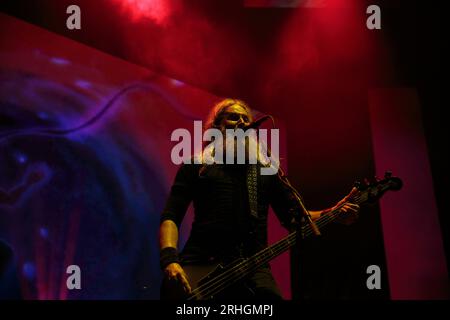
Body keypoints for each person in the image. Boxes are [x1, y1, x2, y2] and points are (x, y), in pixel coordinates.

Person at [159, 98, 359, 300]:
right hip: (201, 266)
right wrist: (170, 261)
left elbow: (295, 220)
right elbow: (171, 216)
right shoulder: (197, 166)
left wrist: (333, 213)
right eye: (233, 117)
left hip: (254, 268)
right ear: (217, 127)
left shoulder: (266, 170)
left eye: (245, 118)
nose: (242, 122)